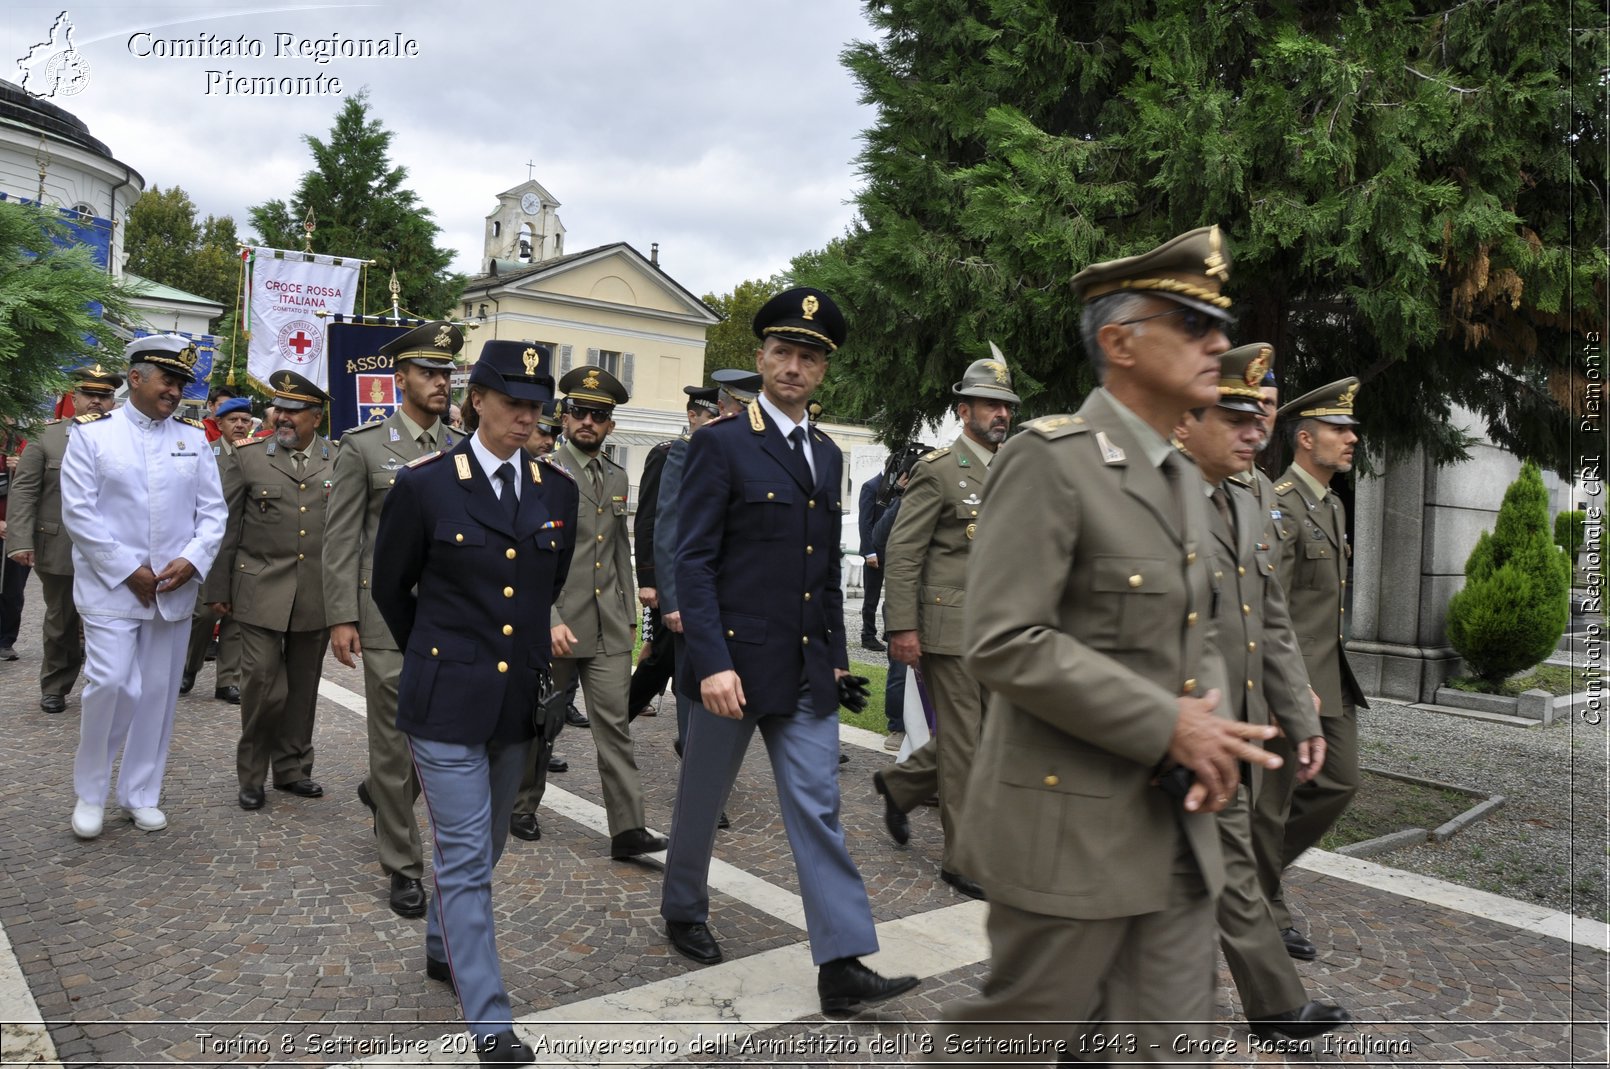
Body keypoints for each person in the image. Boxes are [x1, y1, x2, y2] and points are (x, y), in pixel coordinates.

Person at [931, 227, 1282, 1060]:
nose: (1219, 343)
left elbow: (1191, 635)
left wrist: (1211, 735)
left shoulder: (1183, 478)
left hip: (1175, 829)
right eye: (1194, 325)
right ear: (1121, 343)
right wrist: (1168, 723)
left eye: (1218, 326)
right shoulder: (1052, 461)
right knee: (1013, 1039)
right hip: (1068, 830)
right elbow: (1004, 639)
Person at [662, 286, 920, 1018]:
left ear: (823, 371)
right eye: (784, 351)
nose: (795, 366)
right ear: (761, 358)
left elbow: (813, 569)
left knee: (819, 806)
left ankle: (841, 961)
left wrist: (837, 656)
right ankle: (682, 905)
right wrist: (711, 661)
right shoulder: (720, 443)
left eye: (809, 357)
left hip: (803, 668)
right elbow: (694, 560)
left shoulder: (829, 453)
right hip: (731, 665)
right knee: (701, 798)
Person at [371, 339, 577, 1067]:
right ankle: (491, 1022)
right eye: (513, 403)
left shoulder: (558, 491)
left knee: (483, 850)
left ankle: (440, 941)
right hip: (446, 700)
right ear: (478, 401)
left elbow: (541, 590)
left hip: (515, 701)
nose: (527, 418)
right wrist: (438, 654)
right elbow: (391, 589)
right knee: (463, 854)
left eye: (535, 406)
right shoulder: (426, 485)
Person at [1174, 343, 1349, 1041]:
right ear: (1191, 416)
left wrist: (1301, 715)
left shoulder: (1248, 493)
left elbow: (1270, 616)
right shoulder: (1158, 486)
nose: (1257, 430)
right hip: (1170, 720)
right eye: (1239, 414)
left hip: (1230, 720)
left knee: (1225, 862)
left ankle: (1274, 1006)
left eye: (1262, 415)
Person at [324, 320, 464, 918]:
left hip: (448, 621)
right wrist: (341, 616)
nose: (440, 382)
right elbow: (342, 537)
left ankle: (383, 797)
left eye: (445, 373)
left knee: (437, 742)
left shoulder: (462, 450)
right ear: (400, 378)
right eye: (428, 372)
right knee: (395, 744)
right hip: (384, 618)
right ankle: (403, 867)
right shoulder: (363, 448)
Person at [61, 335, 225, 839]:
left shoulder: (194, 439)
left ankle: (139, 794)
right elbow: (79, 511)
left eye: (180, 383)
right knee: (112, 684)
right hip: (113, 587)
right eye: (167, 380)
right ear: (135, 378)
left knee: (156, 695)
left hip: (172, 589)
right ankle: (90, 793)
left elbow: (213, 513)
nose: (175, 391)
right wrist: (126, 568)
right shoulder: (93, 435)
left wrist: (191, 560)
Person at [873, 352, 1020, 902]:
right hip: (949, 628)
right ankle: (964, 858)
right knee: (965, 747)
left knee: (993, 736)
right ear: (964, 410)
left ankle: (899, 782)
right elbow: (903, 552)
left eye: (1005, 405)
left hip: (1003, 630)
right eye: (989, 404)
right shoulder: (940, 470)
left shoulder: (1014, 467)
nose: (1000, 414)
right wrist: (902, 628)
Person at [509, 365, 664, 858]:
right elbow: (529, 557)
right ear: (564, 415)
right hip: (554, 621)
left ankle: (628, 829)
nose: (588, 422)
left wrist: (633, 617)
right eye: (579, 412)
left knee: (615, 724)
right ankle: (520, 805)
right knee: (542, 720)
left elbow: (620, 552)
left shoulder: (616, 476)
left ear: (610, 425)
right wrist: (547, 617)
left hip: (607, 626)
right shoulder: (541, 472)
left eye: (599, 415)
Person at [1259, 377, 1369, 961]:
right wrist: (1284, 684)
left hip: (1330, 678)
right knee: (1273, 801)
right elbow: (1268, 605)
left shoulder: (1330, 504)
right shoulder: (1281, 506)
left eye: (1351, 428)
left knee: (1340, 783)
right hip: (1292, 679)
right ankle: (1263, 907)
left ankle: (1245, 882)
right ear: (1305, 438)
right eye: (1339, 428)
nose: (1351, 437)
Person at [205, 372, 335, 810]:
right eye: (280, 409)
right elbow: (224, 527)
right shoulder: (249, 457)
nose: (283, 418)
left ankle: (293, 769)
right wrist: (217, 588)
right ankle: (252, 774)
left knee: (302, 688)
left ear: (316, 417)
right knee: (263, 684)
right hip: (258, 588)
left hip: (316, 593)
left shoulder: (338, 459)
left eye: (294, 411)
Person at [655, 372, 759, 761]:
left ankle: (715, 769)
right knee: (696, 690)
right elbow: (669, 523)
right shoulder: (694, 447)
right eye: (742, 408)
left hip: (740, 598)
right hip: (696, 593)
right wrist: (672, 597)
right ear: (725, 407)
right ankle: (698, 773)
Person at [7, 366, 121, 710]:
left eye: (104, 396)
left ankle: (105, 686)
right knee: (62, 620)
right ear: (75, 398)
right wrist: (19, 540)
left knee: (111, 620)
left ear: (113, 401)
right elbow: (25, 490)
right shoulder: (48, 437)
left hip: (115, 546)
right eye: (90, 395)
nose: (96, 402)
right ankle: (56, 685)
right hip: (60, 544)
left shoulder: (125, 438)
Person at [628, 385, 720, 721]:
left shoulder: (718, 457)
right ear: (692, 416)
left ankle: (688, 733)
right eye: (711, 416)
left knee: (676, 658)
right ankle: (620, 715)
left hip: (700, 579)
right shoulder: (669, 453)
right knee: (663, 656)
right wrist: (650, 578)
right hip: (671, 579)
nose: (717, 422)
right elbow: (651, 519)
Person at [181, 395, 253, 704]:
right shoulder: (205, 455)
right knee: (205, 614)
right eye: (233, 420)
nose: (239, 425)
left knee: (237, 617)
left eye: (245, 420)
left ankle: (228, 680)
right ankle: (188, 667)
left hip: (247, 547)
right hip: (211, 549)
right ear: (219, 423)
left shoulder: (256, 456)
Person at [0, 421, 28, 661]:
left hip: (16, 533)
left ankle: (6, 640)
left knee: (12, 591)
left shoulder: (26, 447)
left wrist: (22, 468)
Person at [856, 472, 887, 653]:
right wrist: (869, 552)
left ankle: (888, 631)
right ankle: (867, 635)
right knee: (871, 598)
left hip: (892, 551)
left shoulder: (897, 488)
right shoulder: (871, 486)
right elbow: (864, 523)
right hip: (875, 552)